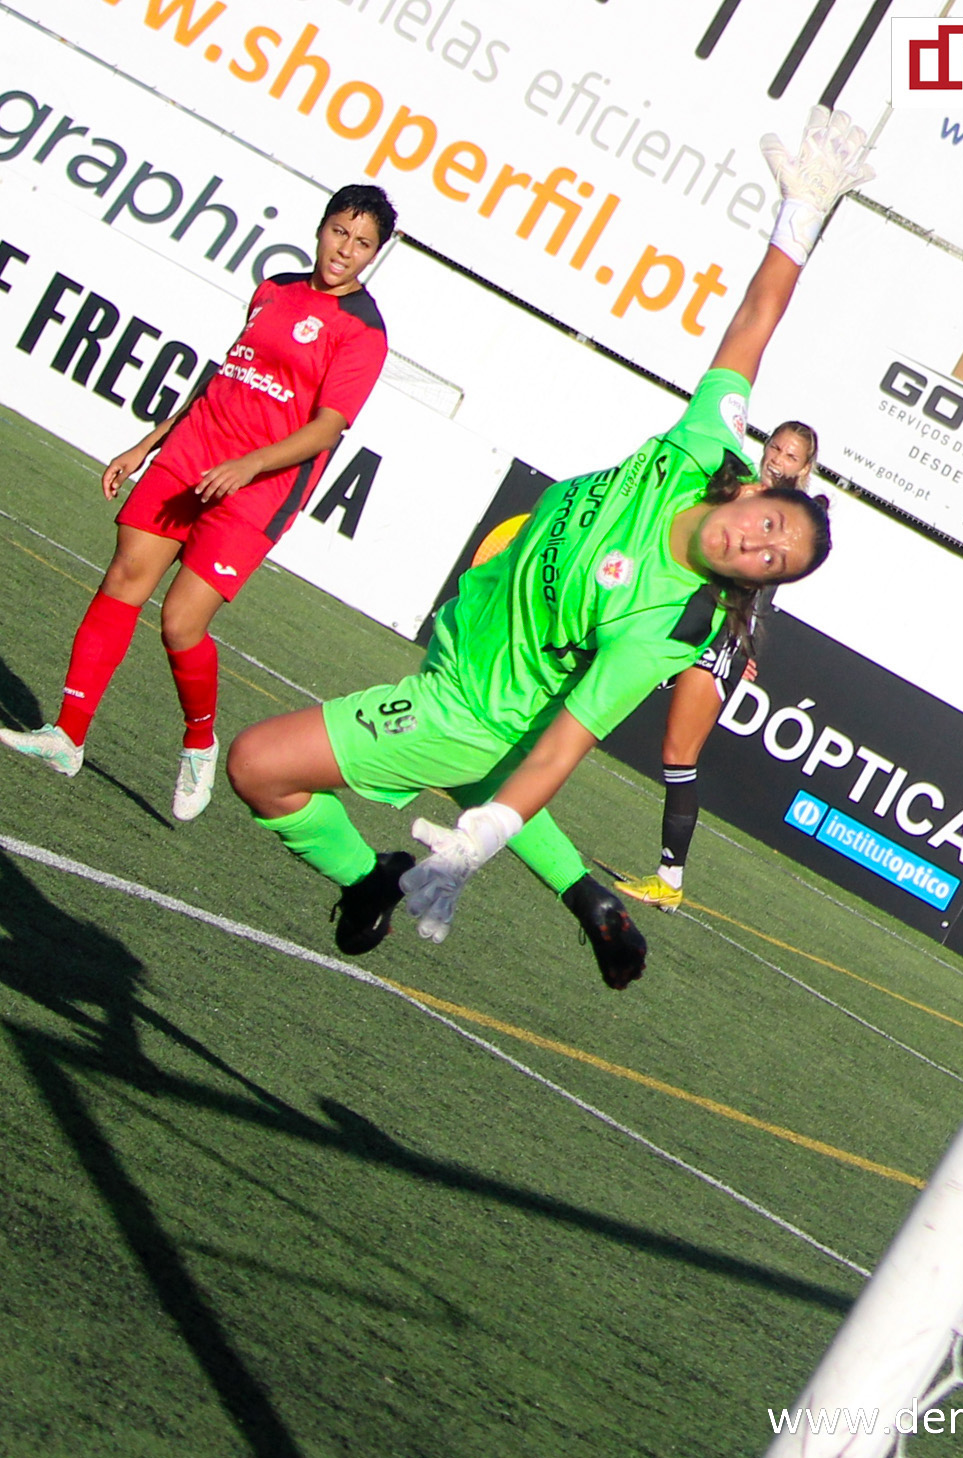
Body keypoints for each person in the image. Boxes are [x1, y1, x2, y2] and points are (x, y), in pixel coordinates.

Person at [223, 108, 871, 986]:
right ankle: (583, 895)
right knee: (488, 765)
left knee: (258, 766)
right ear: (755, 485)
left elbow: (563, 746)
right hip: (484, 666)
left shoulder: (671, 622)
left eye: (772, 562)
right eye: (770, 526)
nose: (756, 545)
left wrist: (473, 848)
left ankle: (366, 875)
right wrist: (800, 218)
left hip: (465, 706)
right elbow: (755, 321)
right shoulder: (703, 448)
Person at [1, 185, 397, 821]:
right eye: (339, 233)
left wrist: (247, 466)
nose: (345, 251)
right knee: (124, 578)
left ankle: (197, 741)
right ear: (321, 228)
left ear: (376, 254)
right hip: (190, 456)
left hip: (258, 486)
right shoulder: (274, 289)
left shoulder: (364, 332)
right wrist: (147, 444)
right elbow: (225, 376)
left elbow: (326, 429)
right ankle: (66, 737)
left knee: (181, 622)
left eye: (362, 244)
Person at [609, 419, 817, 913]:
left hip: (722, 636)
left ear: (805, 467)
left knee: (679, 755)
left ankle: (669, 878)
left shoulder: (797, 515)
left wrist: (745, 650)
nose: (778, 459)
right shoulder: (742, 485)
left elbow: (764, 589)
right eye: (776, 448)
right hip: (688, 618)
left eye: (791, 456)